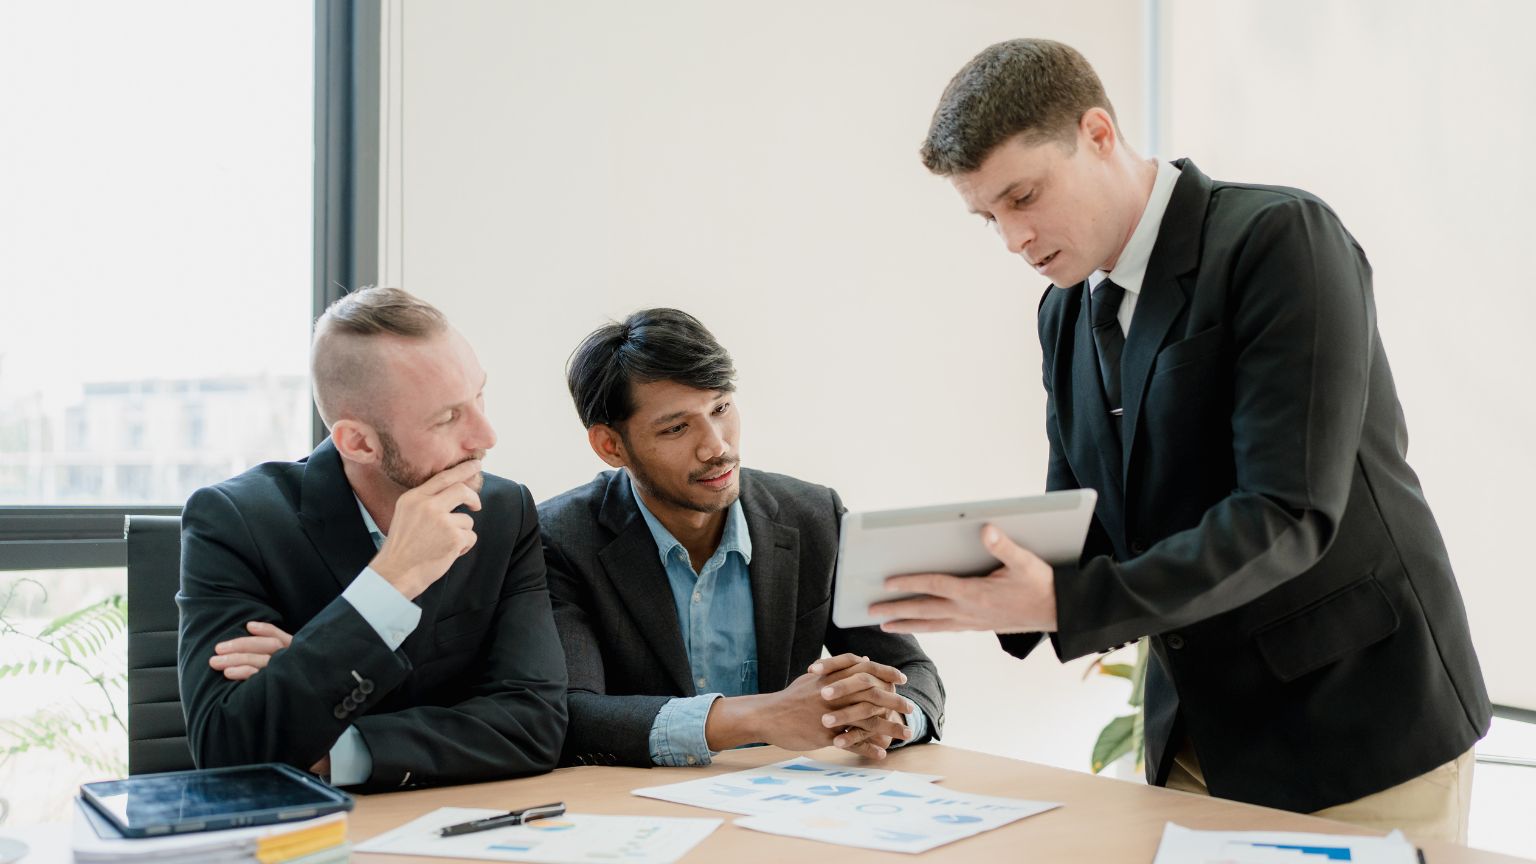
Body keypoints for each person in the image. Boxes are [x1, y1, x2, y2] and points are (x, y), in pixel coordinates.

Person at [876, 38, 1490, 841]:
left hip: (1359, 731)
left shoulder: (1279, 238)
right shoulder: (1063, 312)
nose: (1014, 240)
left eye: (1024, 197)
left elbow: (1286, 511)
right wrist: (963, 575)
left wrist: (1066, 597)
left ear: (1099, 133)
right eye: (989, 217)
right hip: (1197, 738)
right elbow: (1089, 515)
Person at [177, 287, 567, 791]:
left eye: (479, 397)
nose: (486, 436)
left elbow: (535, 726)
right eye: (448, 417)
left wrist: (324, 726)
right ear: (358, 442)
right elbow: (228, 748)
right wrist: (389, 582)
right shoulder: (233, 521)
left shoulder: (505, 512)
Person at [539, 308, 945, 768]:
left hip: (789, 801)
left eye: (721, 408)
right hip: (640, 806)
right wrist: (759, 716)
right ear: (611, 445)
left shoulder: (815, 516)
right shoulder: (560, 538)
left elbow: (914, 671)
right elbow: (571, 714)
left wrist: (886, 719)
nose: (717, 446)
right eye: (676, 427)